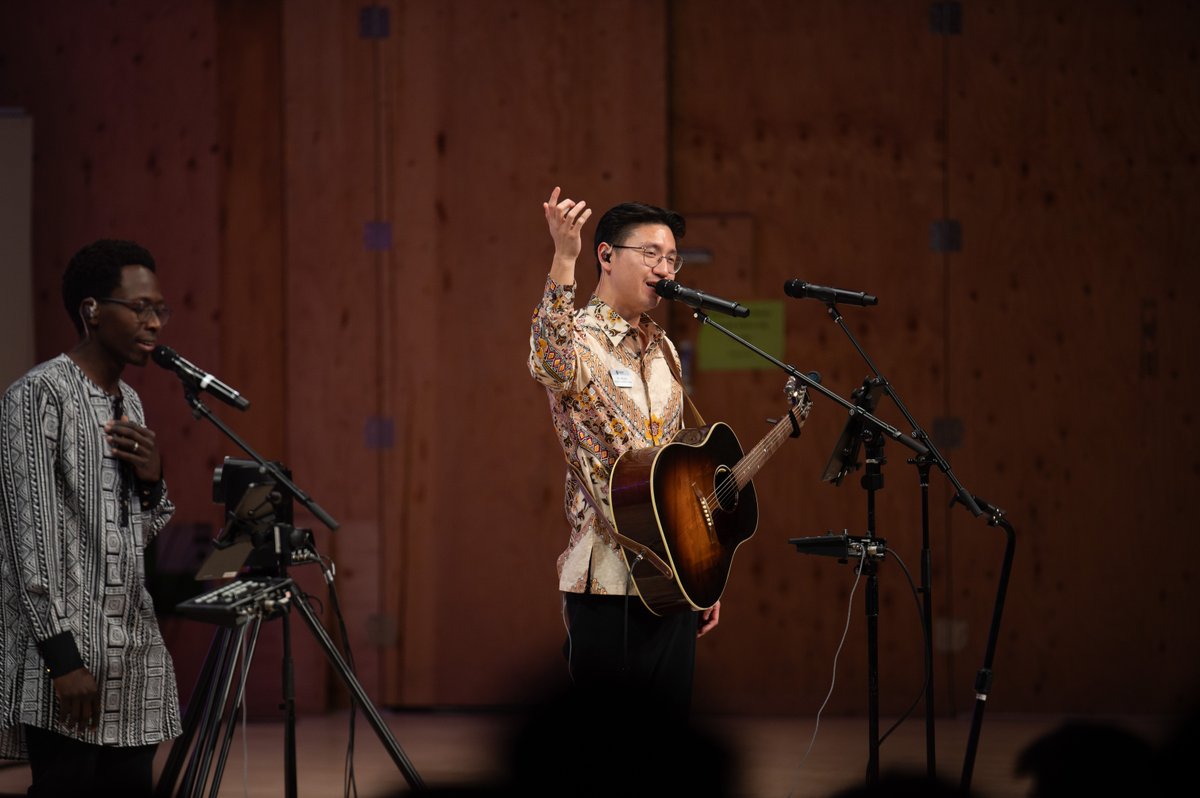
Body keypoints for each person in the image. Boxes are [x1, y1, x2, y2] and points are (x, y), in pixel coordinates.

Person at [0, 239, 182, 796]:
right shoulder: (38, 395)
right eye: (140, 308)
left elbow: (136, 533)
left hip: (131, 652)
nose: (153, 323)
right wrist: (62, 660)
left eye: (159, 310)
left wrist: (152, 483)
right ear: (92, 310)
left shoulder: (131, 402)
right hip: (66, 655)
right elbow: (24, 536)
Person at [527, 186, 719, 715]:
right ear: (606, 256)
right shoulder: (579, 338)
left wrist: (700, 566)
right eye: (651, 254)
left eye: (673, 258)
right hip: (607, 579)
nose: (666, 267)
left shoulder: (663, 351)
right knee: (605, 753)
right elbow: (549, 361)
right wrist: (563, 258)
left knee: (667, 747)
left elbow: (679, 465)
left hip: (674, 578)